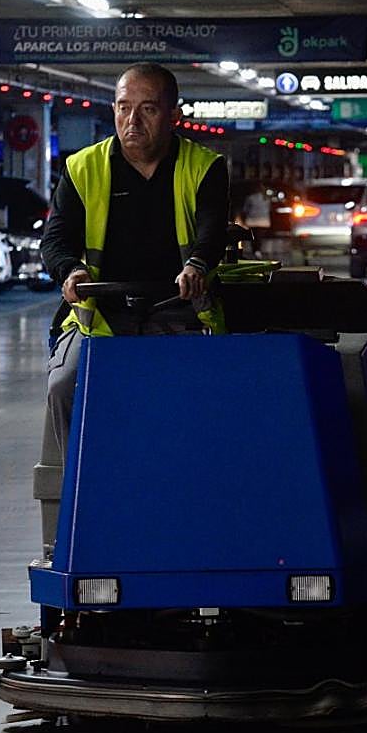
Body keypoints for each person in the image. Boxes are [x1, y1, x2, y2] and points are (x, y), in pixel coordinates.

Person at [39, 62, 230, 458]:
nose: (133, 121)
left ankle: (192, 474)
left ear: (174, 115)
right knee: (63, 386)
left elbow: (212, 233)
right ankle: (80, 481)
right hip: (100, 318)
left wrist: (196, 265)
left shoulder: (204, 168)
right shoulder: (82, 169)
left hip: (180, 314)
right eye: (124, 108)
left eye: (148, 109)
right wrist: (71, 270)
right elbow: (55, 240)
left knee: (207, 394)